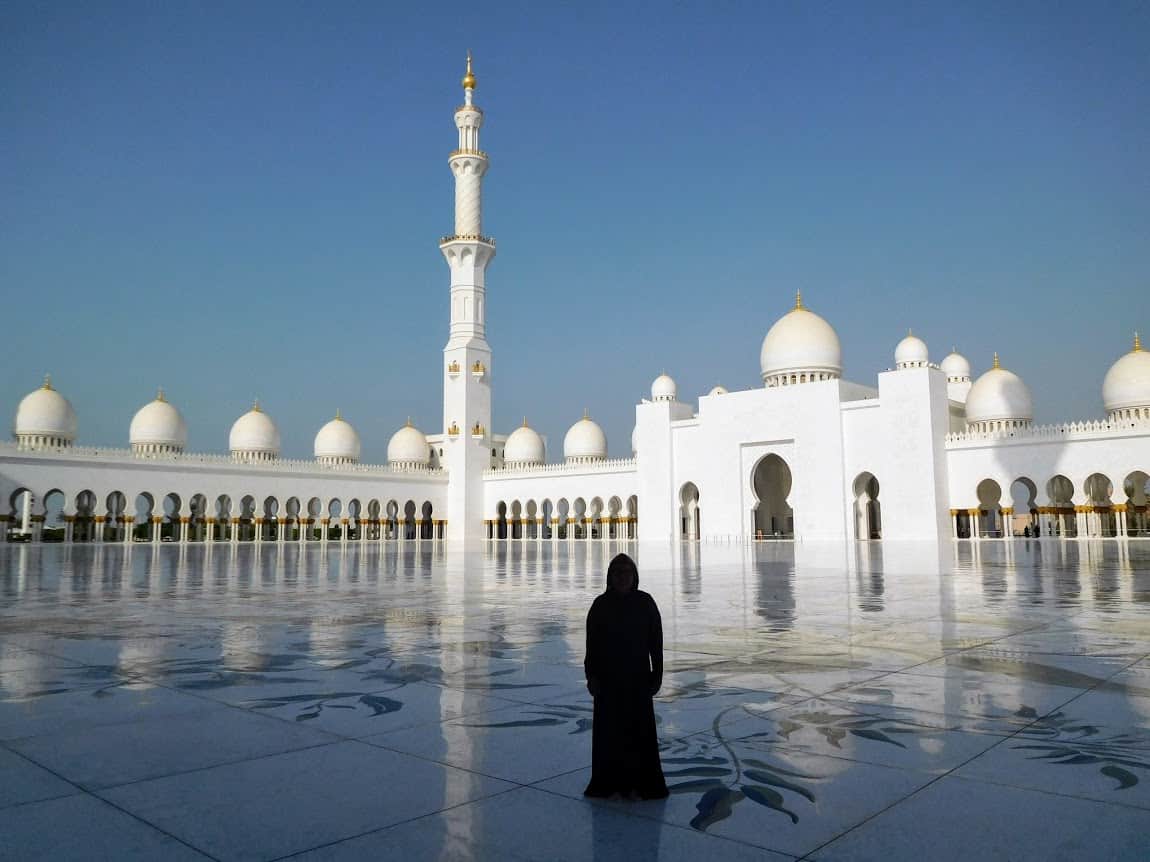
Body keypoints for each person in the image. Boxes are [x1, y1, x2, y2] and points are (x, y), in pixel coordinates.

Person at [583, 552, 668, 800]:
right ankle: (609, 782)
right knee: (610, 734)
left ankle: (642, 783)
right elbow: (591, 645)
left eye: (627, 573)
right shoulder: (600, 605)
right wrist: (591, 675)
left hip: (637, 679)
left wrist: (658, 674)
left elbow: (656, 642)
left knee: (639, 733)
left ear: (635, 576)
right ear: (610, 577)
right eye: (618, 573)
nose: (622, 578)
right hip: (608, 681)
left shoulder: (645, 603)